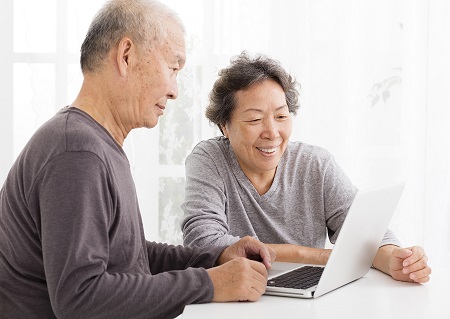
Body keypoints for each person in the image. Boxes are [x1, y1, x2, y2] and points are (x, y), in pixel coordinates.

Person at [0, 2, 276, 318]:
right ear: (127, 56)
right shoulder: (77, 153)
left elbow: (130, 256)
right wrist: (209, 283)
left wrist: (215, 259)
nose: (174, 91)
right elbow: (79, 299)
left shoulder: (93, 143)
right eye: (173, 68)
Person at [181, 52, 431, 284]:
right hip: (235, 298)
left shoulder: (315, 164)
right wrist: (318, 257)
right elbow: (203, 242)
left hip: (308, 297)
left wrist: (395, 259)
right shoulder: (209, 159)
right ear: (225, 126)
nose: (272, 133)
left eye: (281, 116)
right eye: (255, 119)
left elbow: (365, 233)